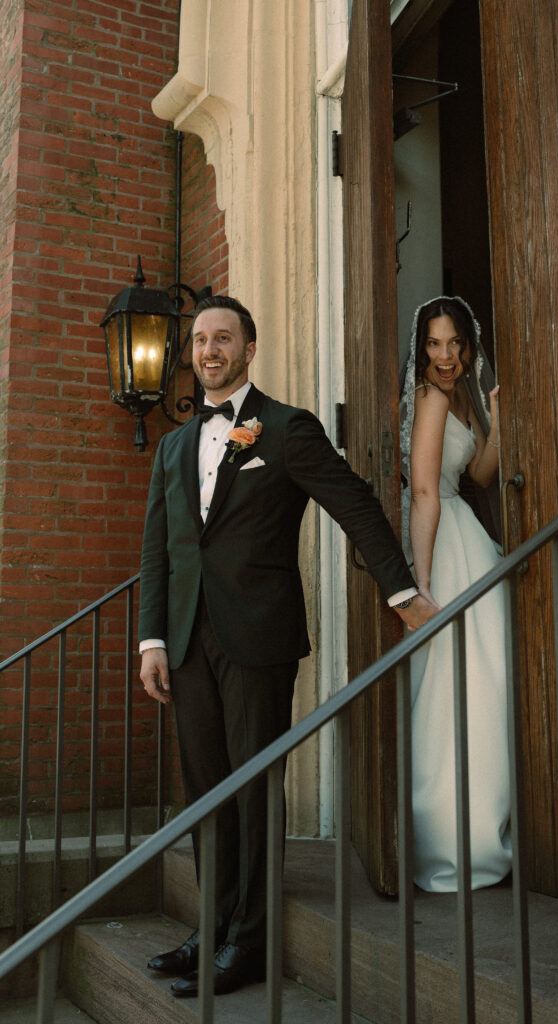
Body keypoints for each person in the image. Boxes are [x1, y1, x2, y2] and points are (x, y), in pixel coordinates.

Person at [139, 294, 435, 998]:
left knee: (251, 788)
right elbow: (158, 549)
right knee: (207, 792)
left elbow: (354, 503)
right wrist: (152, 639)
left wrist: (401, 593)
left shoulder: (286, 429)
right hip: (184, 641)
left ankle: (249, 942)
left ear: (249, 349)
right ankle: (211, 927)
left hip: (258, 637)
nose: (209, 350)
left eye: (224, 339)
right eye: (200, 340)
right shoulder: (174, 444)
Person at [401, 295, 512, 891]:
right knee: (448, 691)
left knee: (486, 686)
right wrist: (419, 584)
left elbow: (481, 476)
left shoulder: (462, 397)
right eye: (435, 344)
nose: (446, 357)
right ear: (421, 347)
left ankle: (484, 832)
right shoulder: (429, 396)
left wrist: (499, 416)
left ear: (469, 348)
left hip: (467, 542)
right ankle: (446, 843)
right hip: (440, 549)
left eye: (456, 345)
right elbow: (423, 491)